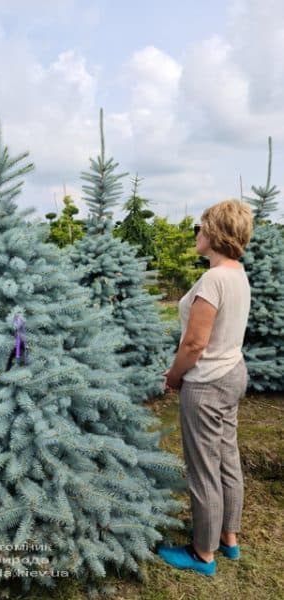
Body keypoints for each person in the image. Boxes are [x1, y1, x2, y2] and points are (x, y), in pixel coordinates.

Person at [157, 199, 253, 577]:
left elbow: (195, 344)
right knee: (227, 457)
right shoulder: (237, 272)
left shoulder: (214, 279)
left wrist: (174, 376)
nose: (196, 233)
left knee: (203, 468)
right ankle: (228, 538)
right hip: (232, 371)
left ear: (214, 233)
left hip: (208, 380)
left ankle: (202, 553)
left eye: (201, 227)